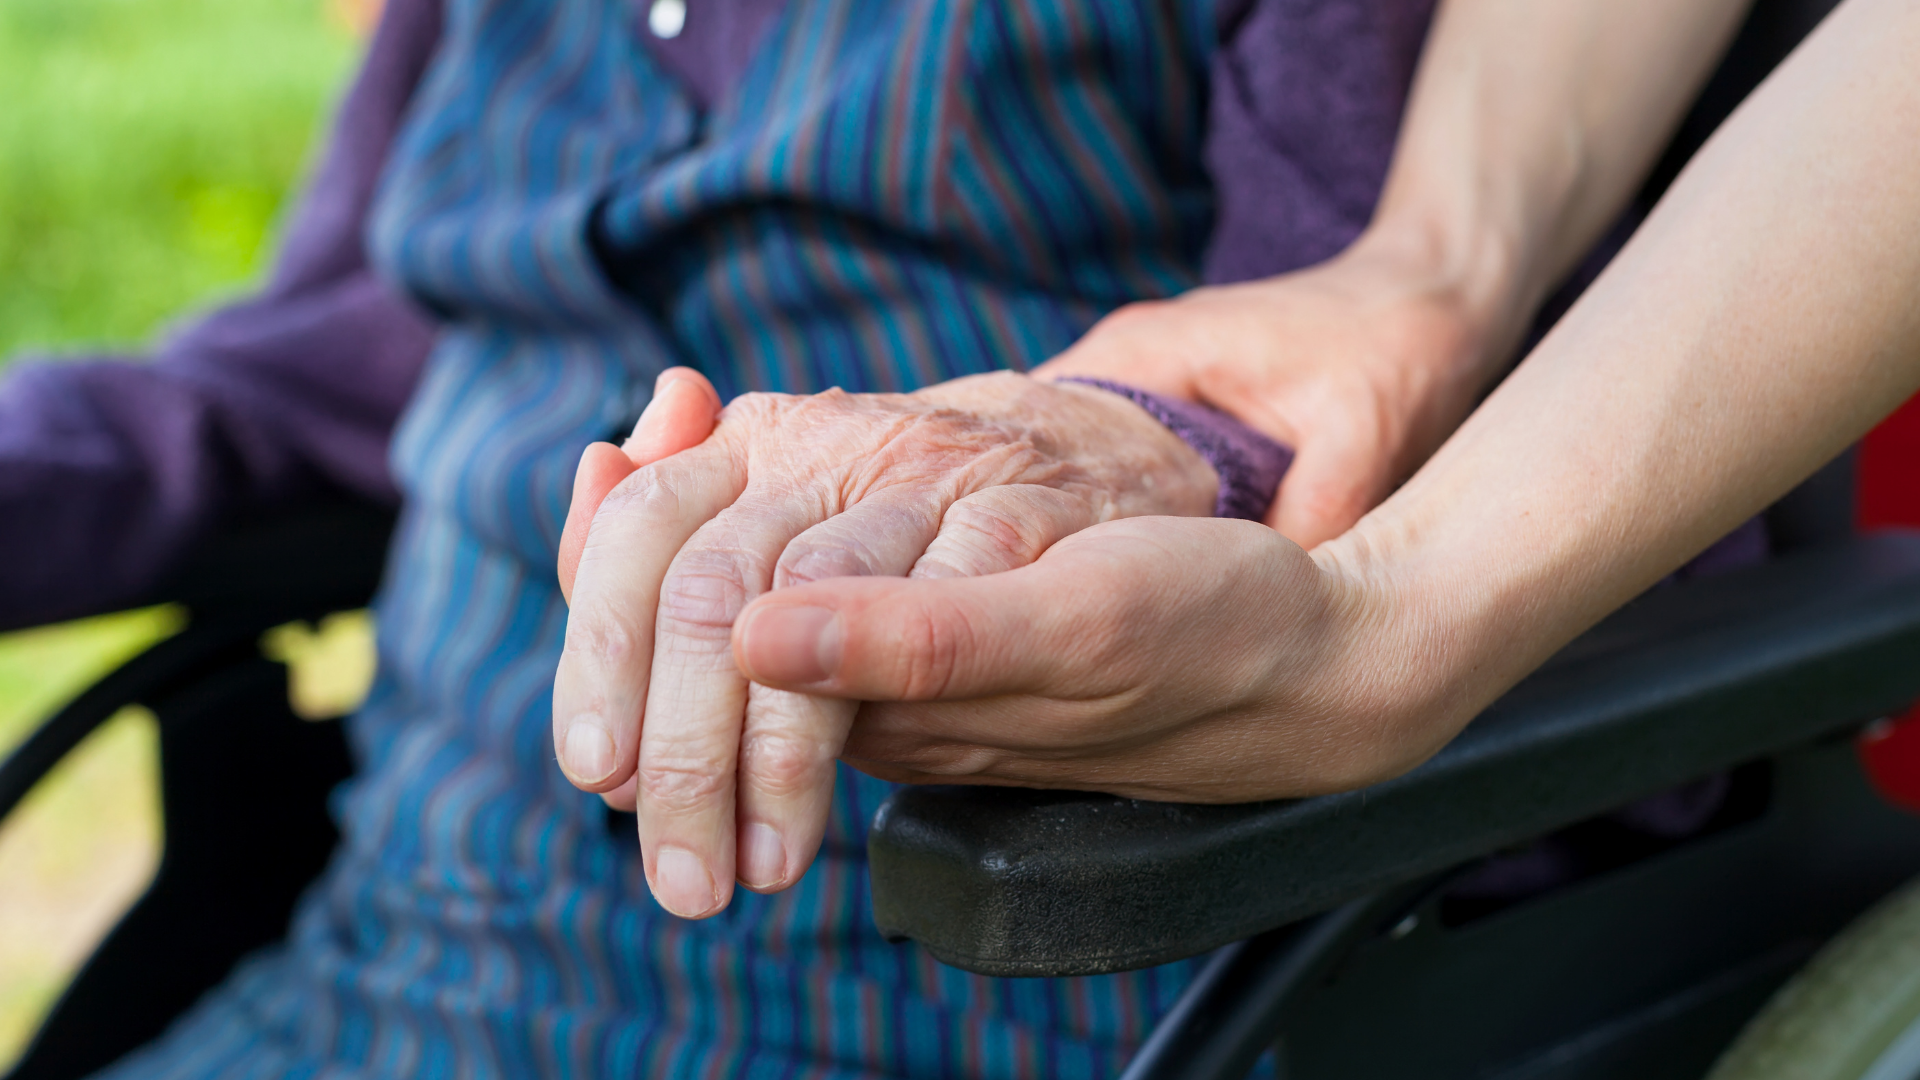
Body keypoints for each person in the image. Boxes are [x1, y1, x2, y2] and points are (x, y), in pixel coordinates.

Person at [0, 0, 1815, 1075]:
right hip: (369, 969)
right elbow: (346, 355)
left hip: (1001, 1004)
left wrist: (1090, 481)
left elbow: (1345, 387)